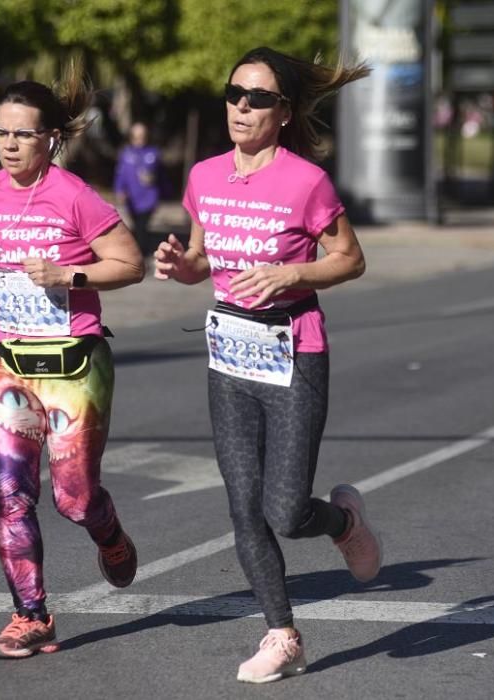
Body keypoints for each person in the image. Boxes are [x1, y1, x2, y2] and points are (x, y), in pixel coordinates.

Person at [153, 46, 382, 684]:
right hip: (228, 353)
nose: (241, 107)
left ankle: (342, 520)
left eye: (257, 98)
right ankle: (282, 634)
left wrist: (293, 271)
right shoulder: (203, 177)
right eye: (234, 94)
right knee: (242, 507)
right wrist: (183, 267)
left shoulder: (306, 181)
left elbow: (351, 259)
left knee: (284, 510)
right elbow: (204, 259)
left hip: (293, 351)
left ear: (283, 112)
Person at [0, 67, 144, 659]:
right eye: (0, 133)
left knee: (74, 499)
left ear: (50, 139)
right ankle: (30, 615)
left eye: (23, 135)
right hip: (8, 361)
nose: (8, 145)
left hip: (75, 364)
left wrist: (70, 274)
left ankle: (108, 534)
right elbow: (0, 263)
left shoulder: (74, 195)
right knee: (11, 494)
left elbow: (130, 264)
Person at [114, 122, 164, 250]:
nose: (139, 139)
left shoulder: (153, 154)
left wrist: (153, 178)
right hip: (132, 198)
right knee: (135, 226)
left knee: (142, 228)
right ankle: (139, 253)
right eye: (136, 136)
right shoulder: (126, 154)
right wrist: (119, 190)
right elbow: (121, 174)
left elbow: (161, 176)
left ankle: (140, 255)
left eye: (142, 136)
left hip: (148, 198)